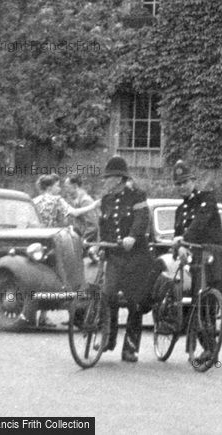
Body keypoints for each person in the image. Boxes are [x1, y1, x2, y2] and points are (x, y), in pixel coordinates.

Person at [172, 160, 222, 364]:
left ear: (194, 181)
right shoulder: (180, 210)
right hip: (197, 257)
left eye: (185, 182)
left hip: (214, 254)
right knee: (198, 299)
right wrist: (180, 247)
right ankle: (207, 348)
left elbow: (200, 223)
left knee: (212, 299)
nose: (182, 187)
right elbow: (178, 236)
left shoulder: (207, 199)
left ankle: (211, 347)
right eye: (178, 184)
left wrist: (183, 239)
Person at [98, 155, 153, 362]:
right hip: (115, 256)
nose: (106, 181)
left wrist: (132, 236)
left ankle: (130, 348)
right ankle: (108, 338)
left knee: (134, 303)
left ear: (119, 179)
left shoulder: (137, 196)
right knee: (107, 294)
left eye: (109, 178)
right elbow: (103, 226)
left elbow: (141, 219)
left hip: (136, 257)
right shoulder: (106, 200)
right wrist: (101, 245)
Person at [32, 173, 99, 327]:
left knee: (45, 275)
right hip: (56, 241)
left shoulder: (34, 201)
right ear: (49, 187)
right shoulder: (56, 200)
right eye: (57, 186)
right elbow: (74, 213)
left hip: (39, 242)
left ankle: (42, 315)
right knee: (67, 276)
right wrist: (94, 206)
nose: (59, 188)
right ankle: (73, 313)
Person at [63, 175, 99, 243]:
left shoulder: (85, 201)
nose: (65, 189)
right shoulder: (73, 201)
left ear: (75, 186)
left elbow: (93, 226)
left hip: (87, 243)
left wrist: (82, 240)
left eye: (67, 187)